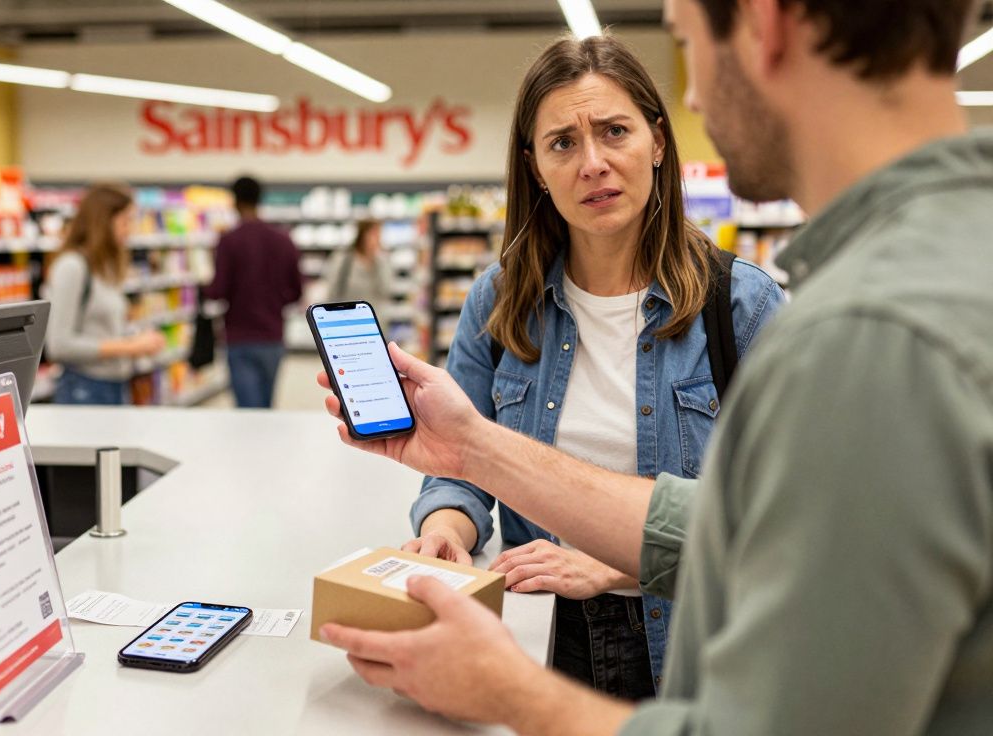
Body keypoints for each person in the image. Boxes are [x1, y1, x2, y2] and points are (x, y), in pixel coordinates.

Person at [317, 0, 993, 733]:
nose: (695, 94)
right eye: (563, 144)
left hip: (667, 638)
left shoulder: (861, 332)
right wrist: (469, 459)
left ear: (762, 24)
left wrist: (512, 692)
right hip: (550, 618)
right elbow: (753, 527)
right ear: (534, 168)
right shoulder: (925, 281)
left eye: (686, 41)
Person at [405, 35, 783, 699]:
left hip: (695, 640)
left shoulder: (741, 305)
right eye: (562, 143)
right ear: (535, 169)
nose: (594, 164)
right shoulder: (499, 302)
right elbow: (459, 462)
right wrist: (444, 530)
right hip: (538, 628)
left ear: (658, 143)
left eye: (615, 131)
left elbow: (785, 513)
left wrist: (616, 564)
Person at [44, 183, 166, 405]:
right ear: (103, 221)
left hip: (115, 385)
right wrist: (130, 347)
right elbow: (59, 344)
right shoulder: (72, 266)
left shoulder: (105, 267)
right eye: (125, 221)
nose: (131, 229)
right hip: (84, 389)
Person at [202, 176, 302, 409]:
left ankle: (249, 446)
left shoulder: (228, 241)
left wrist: (204, 285)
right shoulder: (283, 240)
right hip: (272, 335)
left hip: (240, 336)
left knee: (247, 409)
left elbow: (217, 291)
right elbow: (296, 291)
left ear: (235, 202)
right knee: (266, 406)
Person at [324, 219, 394, 314]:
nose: (377, 239)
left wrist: (381, 260)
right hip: (347, 316)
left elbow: (386, 290)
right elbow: (332, 290)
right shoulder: (344, 259)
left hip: (374, 318)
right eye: (373, 234)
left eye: (379, 235)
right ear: (362, 235)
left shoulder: (381, 261)